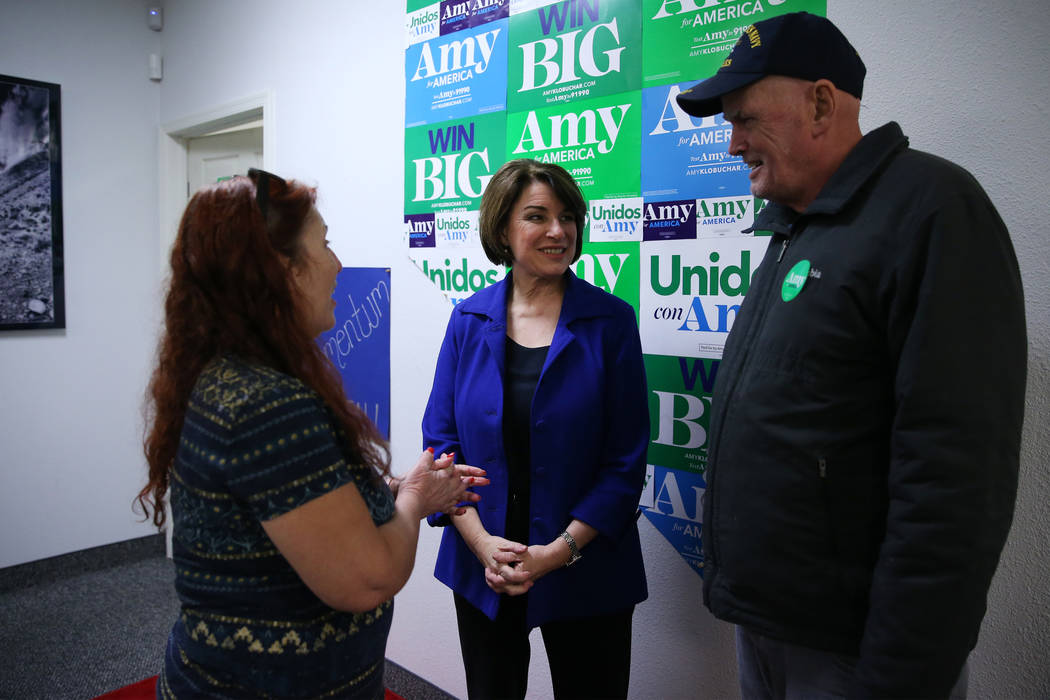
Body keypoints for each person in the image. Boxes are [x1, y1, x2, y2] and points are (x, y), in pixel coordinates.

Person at [674, 11, 1027, 699]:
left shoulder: (933, 211)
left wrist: (901, 671)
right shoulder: (794, 230)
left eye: (745, 117)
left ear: (822, 102)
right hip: (770, 631)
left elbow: (954, 478)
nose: (732, 142)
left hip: (857, 655)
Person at [138, 169, 488, 699]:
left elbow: (288, 506)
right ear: (281, 270)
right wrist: (415, 501)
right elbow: (366, 579)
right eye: (323, 245)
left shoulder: (226, 375)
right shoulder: (268, 404)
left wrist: (387, 491)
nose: (337, 265)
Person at [421, 159, 649, 699]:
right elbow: (441, 445)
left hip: (586, 565)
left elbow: (625, 461)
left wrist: (557, 552)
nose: (557, 231)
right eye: (537, 216)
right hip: (485, 566)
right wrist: (480, 544)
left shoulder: (610, 320)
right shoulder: (468, 319)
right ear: (502, 228)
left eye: (567, 216)